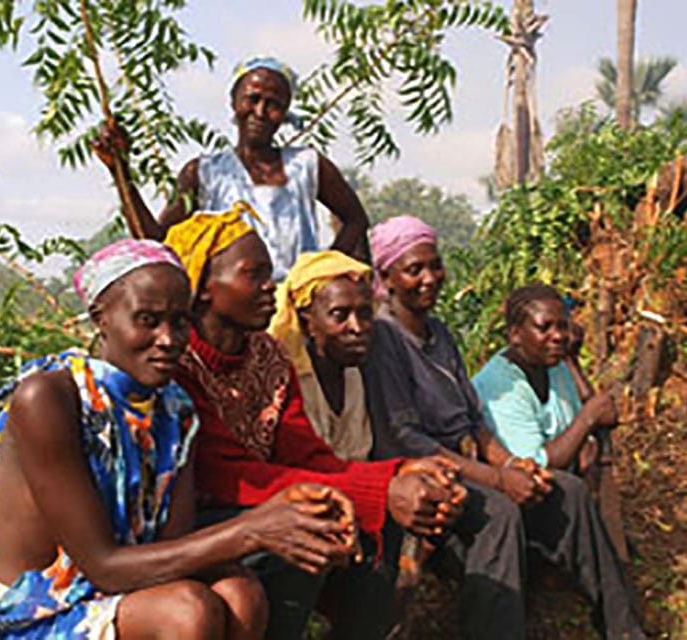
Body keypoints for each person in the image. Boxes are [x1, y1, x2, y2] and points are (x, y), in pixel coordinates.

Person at [0, 239, 359, 639]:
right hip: (26, 611)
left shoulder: (174, 409)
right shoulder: (49, 398)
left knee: (240, 593)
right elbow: (102, 566)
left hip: (108, 592)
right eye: (148, 321)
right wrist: (254, 529)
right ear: (101, 318)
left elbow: (168, 549)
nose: (169, 339)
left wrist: (290, 509)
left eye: (180, 321)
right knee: (187, 610)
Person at [161, 205, 466, 639]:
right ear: (205, 287)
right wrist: (378, 488)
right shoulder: (177, 362)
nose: (270, 286)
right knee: (303, 530)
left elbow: (309, 456)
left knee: (381, 520)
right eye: (254, 274)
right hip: (194, 525)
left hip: (260, 504)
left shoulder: (267, 357)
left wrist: (400, 474)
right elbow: (226, 472)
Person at [362, 215, 646, 640]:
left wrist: (513, 464)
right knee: (498, 512)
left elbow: (474, 421)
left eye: (434, 265)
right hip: (423, 472)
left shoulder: (439, 334)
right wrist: (498, 478)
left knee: (564, 491)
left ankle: (623, 628)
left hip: (468, 462)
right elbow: (408, 440)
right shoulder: (384, 339)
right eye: (414, 269)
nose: (429, 278)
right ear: (387, 276)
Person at [91, 55, 369, 280]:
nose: (260, 112)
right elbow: (156, 243)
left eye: (273, 104)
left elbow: (355, 219)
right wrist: (120, 172)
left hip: (295, 316)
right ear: (234, 101)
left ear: (285, 113)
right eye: (253, 99)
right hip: (229, 319)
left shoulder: (308, 165)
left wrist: (321, 274)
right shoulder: (203, 173)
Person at [472, 283, 617, 471]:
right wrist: (588, 419)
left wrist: (571, 360)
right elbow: (533, 466)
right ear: (515, 335)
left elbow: (578, 429)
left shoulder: (553, 365)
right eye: (544, 327)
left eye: (563, 326)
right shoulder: (499, 386)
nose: (558, 336)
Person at [268, 250, 375, 461]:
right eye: (340, 315)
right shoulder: (289, 383)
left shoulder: (351, 376)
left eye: (364, 314)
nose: (357, 327)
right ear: (308, 323)